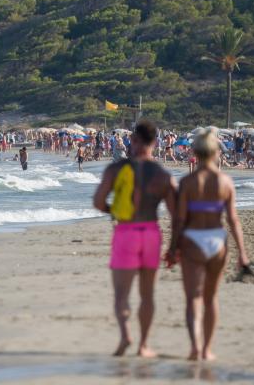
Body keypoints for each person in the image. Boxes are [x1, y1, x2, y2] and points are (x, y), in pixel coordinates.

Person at [93, 120, 177, 358]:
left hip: (126, 232)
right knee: (147, 294)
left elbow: (98, 202)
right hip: (151, 233)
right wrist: (173, 247)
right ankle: (144, 345)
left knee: (121, 294)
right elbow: (176, 214)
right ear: (155, 142)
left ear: (134, 140)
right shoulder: (163, 174)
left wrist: (116, 211)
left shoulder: (116, 169)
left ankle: (125, 336)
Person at [167, 128, 249, 362]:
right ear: (215, 153)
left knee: (193, 297)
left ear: (195, 153)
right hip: (216, 239)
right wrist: (242, 253)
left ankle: (195, 347)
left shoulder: (188, 182)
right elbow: (233, 220)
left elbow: (179, 219)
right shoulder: (225, 181)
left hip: (193, 238)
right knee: (211, 298)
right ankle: (207, 350)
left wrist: (173, 247)